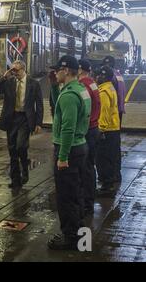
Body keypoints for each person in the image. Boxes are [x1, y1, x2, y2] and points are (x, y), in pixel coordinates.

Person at [48, 55, 91, 250]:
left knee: (66, 196)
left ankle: (70, 236)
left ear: (66, 71)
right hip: (81, 146)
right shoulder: (81, 90)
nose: (55, 73)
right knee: (77, 192)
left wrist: (62, 157)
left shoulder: (69, 96)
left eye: (57, 70)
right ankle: (79, 230)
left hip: (69, 149)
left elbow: (67, 128)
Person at [0, 60, 43, 188]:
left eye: (17, 70)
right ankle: (15, 180)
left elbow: (40, 105)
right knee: (12, 149)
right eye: (13, 70)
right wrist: (5, 76)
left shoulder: (33, 84)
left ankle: (25, 169)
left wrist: (38, 123)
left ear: (24, 69)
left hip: (25, 118)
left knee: (21, 146)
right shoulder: (9, 82)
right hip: (11, 118)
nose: (15, 73)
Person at [78, 59, 101, 216]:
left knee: (85, 168)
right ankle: (89, 199)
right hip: (94, 127)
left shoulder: (83, 85)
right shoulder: (92, 82)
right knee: (90, 166)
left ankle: (87, 203)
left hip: (87, 130)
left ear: (80, 69)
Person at [93, 66, 121, 194]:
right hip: (114, 128)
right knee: (110, 157)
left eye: (100, 75)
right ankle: (108, 183)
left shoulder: (103, 92)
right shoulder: (111, 87)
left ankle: (106, 186)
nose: (97, 77)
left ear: (105, 77)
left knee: (102, 159)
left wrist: (100, 130)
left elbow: (103, 113)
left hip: (107, 130)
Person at [102, 56, 125, 182]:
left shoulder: (112, 79)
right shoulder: (119, 74)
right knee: (116, 144)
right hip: (119, 111)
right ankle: (117, 172)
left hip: (113, 113)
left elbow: (109, 100)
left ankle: (112, 175)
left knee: (110, 147)